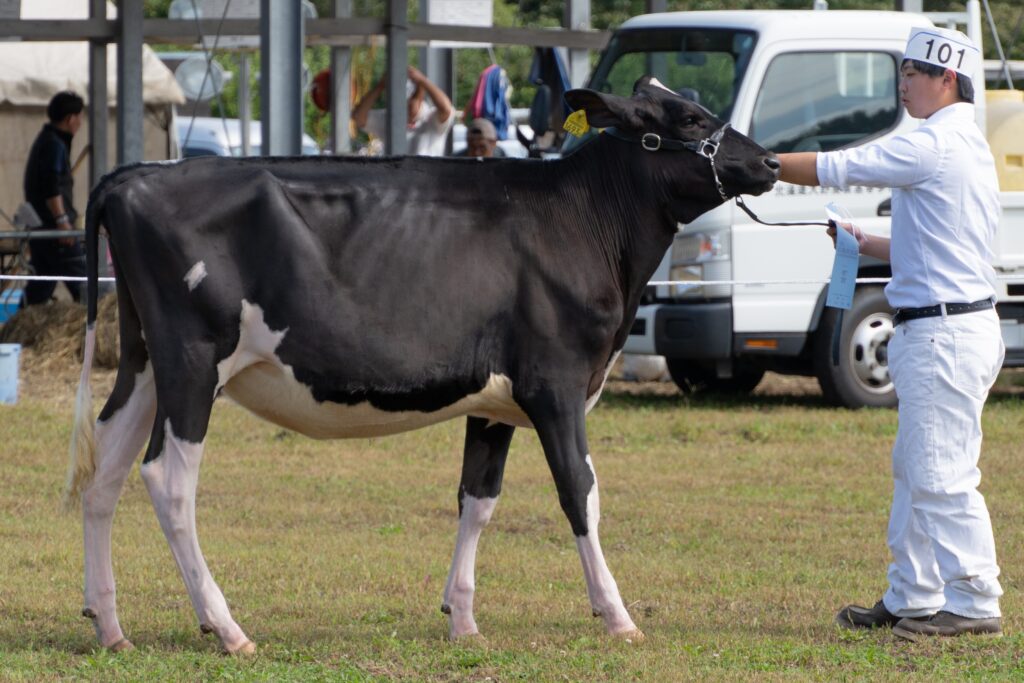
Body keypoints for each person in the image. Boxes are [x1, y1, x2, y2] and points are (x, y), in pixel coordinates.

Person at [778, 27, 1004, 641]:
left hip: (942, 334)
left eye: (913, 72)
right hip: (951, 326)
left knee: (940, 474)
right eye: (902, 70)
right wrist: (865, 243)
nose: (902, 82)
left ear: (947, 80)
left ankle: (976, 599)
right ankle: (915, 595)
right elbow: (930, 248)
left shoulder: (934, 142)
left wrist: (765, 165)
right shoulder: (961, 143)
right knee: (916, 468)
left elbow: (846, 166)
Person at [22, 90, 88, 306]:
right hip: (54, 228)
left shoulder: (47, 140)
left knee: (41, 284)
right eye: (79, 117)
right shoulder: (53, 145)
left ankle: (21, 329)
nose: (80, 123)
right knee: (82, 281)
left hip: (42, 228)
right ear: (70, 119)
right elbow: (51, 186)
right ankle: (96, 332)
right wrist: (62, 221)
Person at [352, 65, 454, 157]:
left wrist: (423, 81)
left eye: (408, 104)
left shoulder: (432, 118)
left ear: (419, 97)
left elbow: (446, 108)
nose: (404, 110)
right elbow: (358, 117)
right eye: (399, 105)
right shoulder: (391, 117)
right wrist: (380, 86)